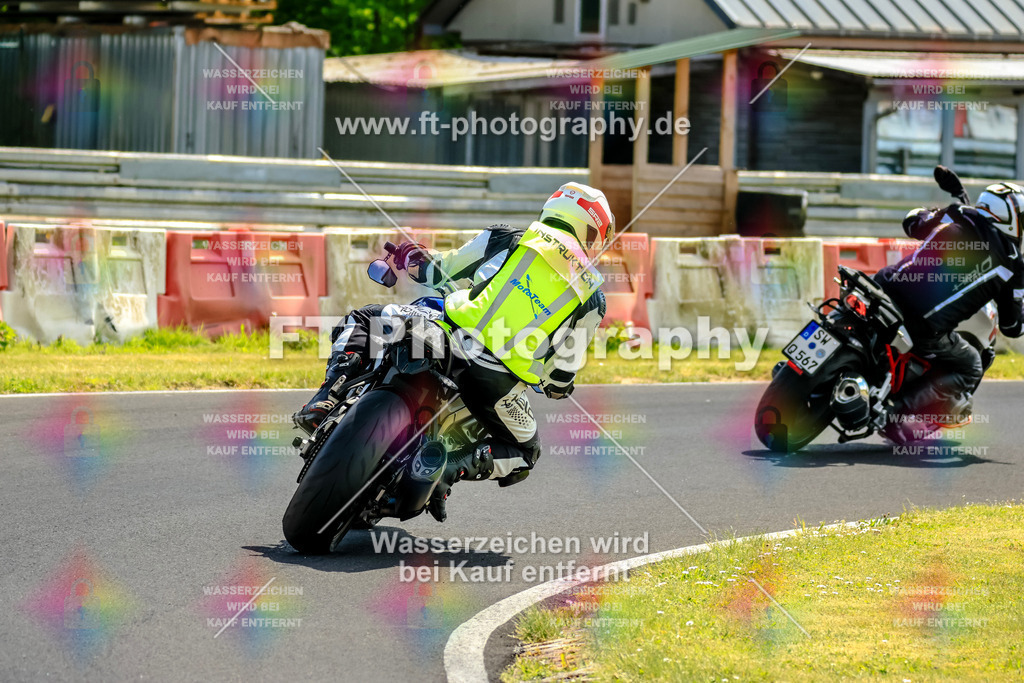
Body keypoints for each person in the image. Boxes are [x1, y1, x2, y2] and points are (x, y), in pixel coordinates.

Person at [295, 182, 612, 520]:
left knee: (363, 319)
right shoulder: (593, 296)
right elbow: (562, 375)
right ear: (592, 234)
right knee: (526, 452)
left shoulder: (507, 238)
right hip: (498, 382)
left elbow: (439, 270)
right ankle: (449, 469)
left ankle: (327, 396)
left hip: (449, 334)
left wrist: (410, 256)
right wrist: (553, 384)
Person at [874, 182, 1024, 441]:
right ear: (1011, 216)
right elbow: (1011, 326)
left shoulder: (959, 213)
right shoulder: (1013, 267)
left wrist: (927, 213)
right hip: (922, 323)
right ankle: (893, 413)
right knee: (971, 365)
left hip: (883, 288)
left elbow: (911, 223)